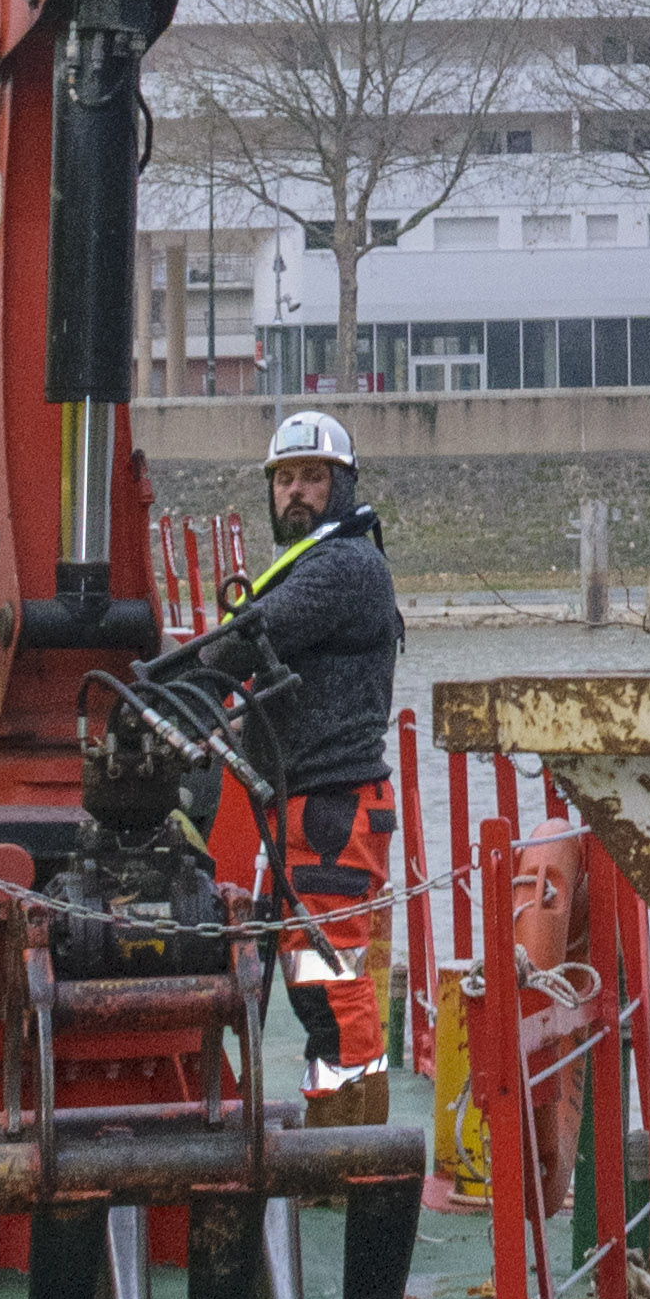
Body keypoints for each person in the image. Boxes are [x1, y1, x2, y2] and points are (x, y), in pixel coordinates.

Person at [138, 402, 400, 1079]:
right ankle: (340, 1127)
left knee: (329, 984)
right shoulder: (314, 562)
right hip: (308, 807)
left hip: (329, 809)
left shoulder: (341, 567)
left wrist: (158, 691)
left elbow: (247, 641)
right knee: (312, 978)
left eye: (313, 476)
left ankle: (354, 1145)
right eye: (284, 479)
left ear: (340, 485)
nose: (295, 492)